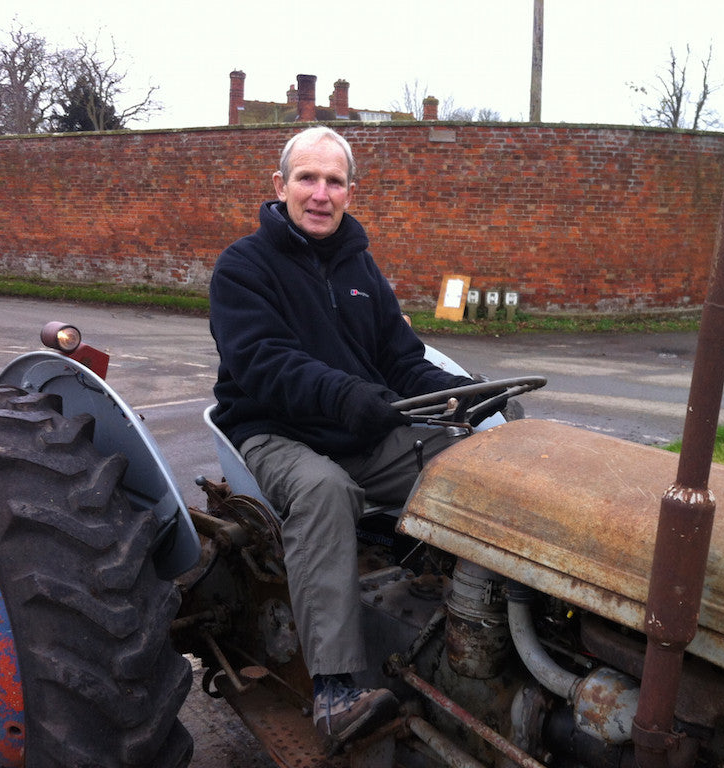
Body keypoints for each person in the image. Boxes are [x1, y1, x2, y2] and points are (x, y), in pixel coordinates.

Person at [209, 126, 477, 753]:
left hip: (359, 429)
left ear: (350, 192)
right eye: (308, 178)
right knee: (324, 491)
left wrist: (460, 392)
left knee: (475, 462)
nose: (321, 193)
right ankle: (333, 691)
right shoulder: (243, 267)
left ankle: (480, 621)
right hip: (277, 432)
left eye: (334, 181)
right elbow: (264, 363)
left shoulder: (360, 267)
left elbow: (401, 357)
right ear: (280, 186)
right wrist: (348, 396)